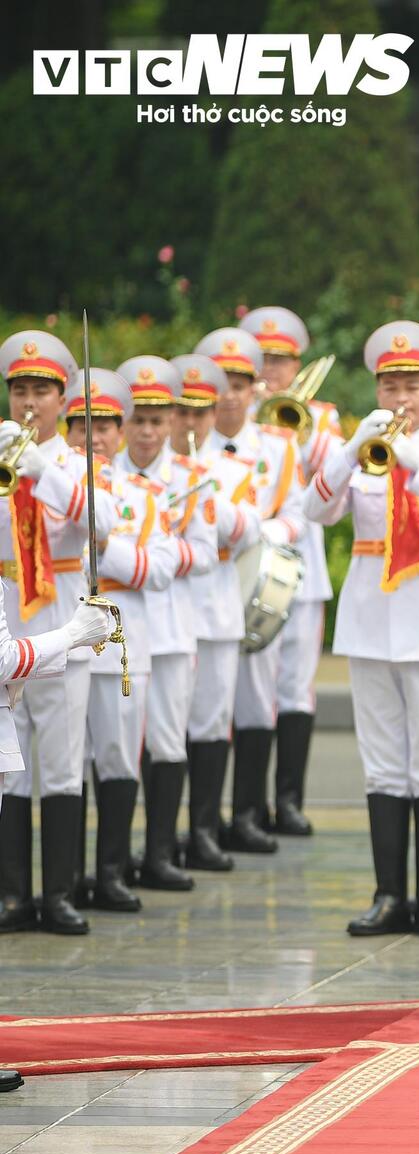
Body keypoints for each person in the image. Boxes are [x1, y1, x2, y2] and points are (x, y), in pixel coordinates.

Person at [306, 321, 419, 938]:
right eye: (390, 385)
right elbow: (315, 509)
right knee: (383, 765)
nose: (400, 398)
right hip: (370, 625)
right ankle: (389, 894)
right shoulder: (363, 454)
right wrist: (346, 446)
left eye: (412, 386)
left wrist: (416, 460)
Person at [0, 331, 121, 934]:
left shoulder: (77, 464)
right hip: (7, 620)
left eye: (41, 392)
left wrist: (40, 470)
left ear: (61, 398)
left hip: (63, 623)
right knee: (10, 761)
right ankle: (14, 895)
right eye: (19, 390)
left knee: (62, 758)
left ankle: (61, 894)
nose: (29, 402)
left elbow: (108, 524)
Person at [67, 369, 187, 913]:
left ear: (120, 431)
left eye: (106, 425)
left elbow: (157, 569)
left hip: (120, 641)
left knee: (117, 756)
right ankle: (64, 876)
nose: (94, 436)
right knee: (66, 761)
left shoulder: (142, 496)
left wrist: (101, 556)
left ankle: (110, 871)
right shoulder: (49, 488)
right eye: (81, 423)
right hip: (62, 639)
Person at [191, 326, 305, 857]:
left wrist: (266, 536)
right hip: (203, 581)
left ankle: (248, 813)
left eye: (240, 383)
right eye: (222, 383)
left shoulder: (278, 447)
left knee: (258, 700)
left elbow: (296, 514)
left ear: (254, 387)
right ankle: (202, 822)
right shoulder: (188, 442)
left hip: (257, 581)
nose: (231, 393)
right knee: (204, 705)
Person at [115, 355, 221, 893]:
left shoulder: (194, 478)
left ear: (174, 422)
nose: (148, 431)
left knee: (166, 740)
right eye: (138, 419)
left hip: (173, 623)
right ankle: (113, 857)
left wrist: (152, 554)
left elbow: (206, 553)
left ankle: (159, 850)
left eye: (159, 420)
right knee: (114, 743)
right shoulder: (103, 474)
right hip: (118, 628)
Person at [240, 305, 340, 837]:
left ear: (297, 363)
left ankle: (290, 800)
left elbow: (331, 473)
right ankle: (250, 807)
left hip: (305, 568)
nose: (271, 369)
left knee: (297, 685)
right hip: (253, 564)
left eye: (281, 360)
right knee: (255, 687)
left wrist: (295, 423)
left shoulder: (320, 416)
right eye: (263, 358)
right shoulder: (239, 413)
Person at [172, 350, 260, 873]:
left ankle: (202, 829)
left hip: (217, 605)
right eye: (181, 412)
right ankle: (162, 833)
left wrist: (205, 495)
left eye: (199, 412)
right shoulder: (153, 471)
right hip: (168, 607)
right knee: (164, 729)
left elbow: (249, 531)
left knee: (209, 724)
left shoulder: (228, 467)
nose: (190, 422)